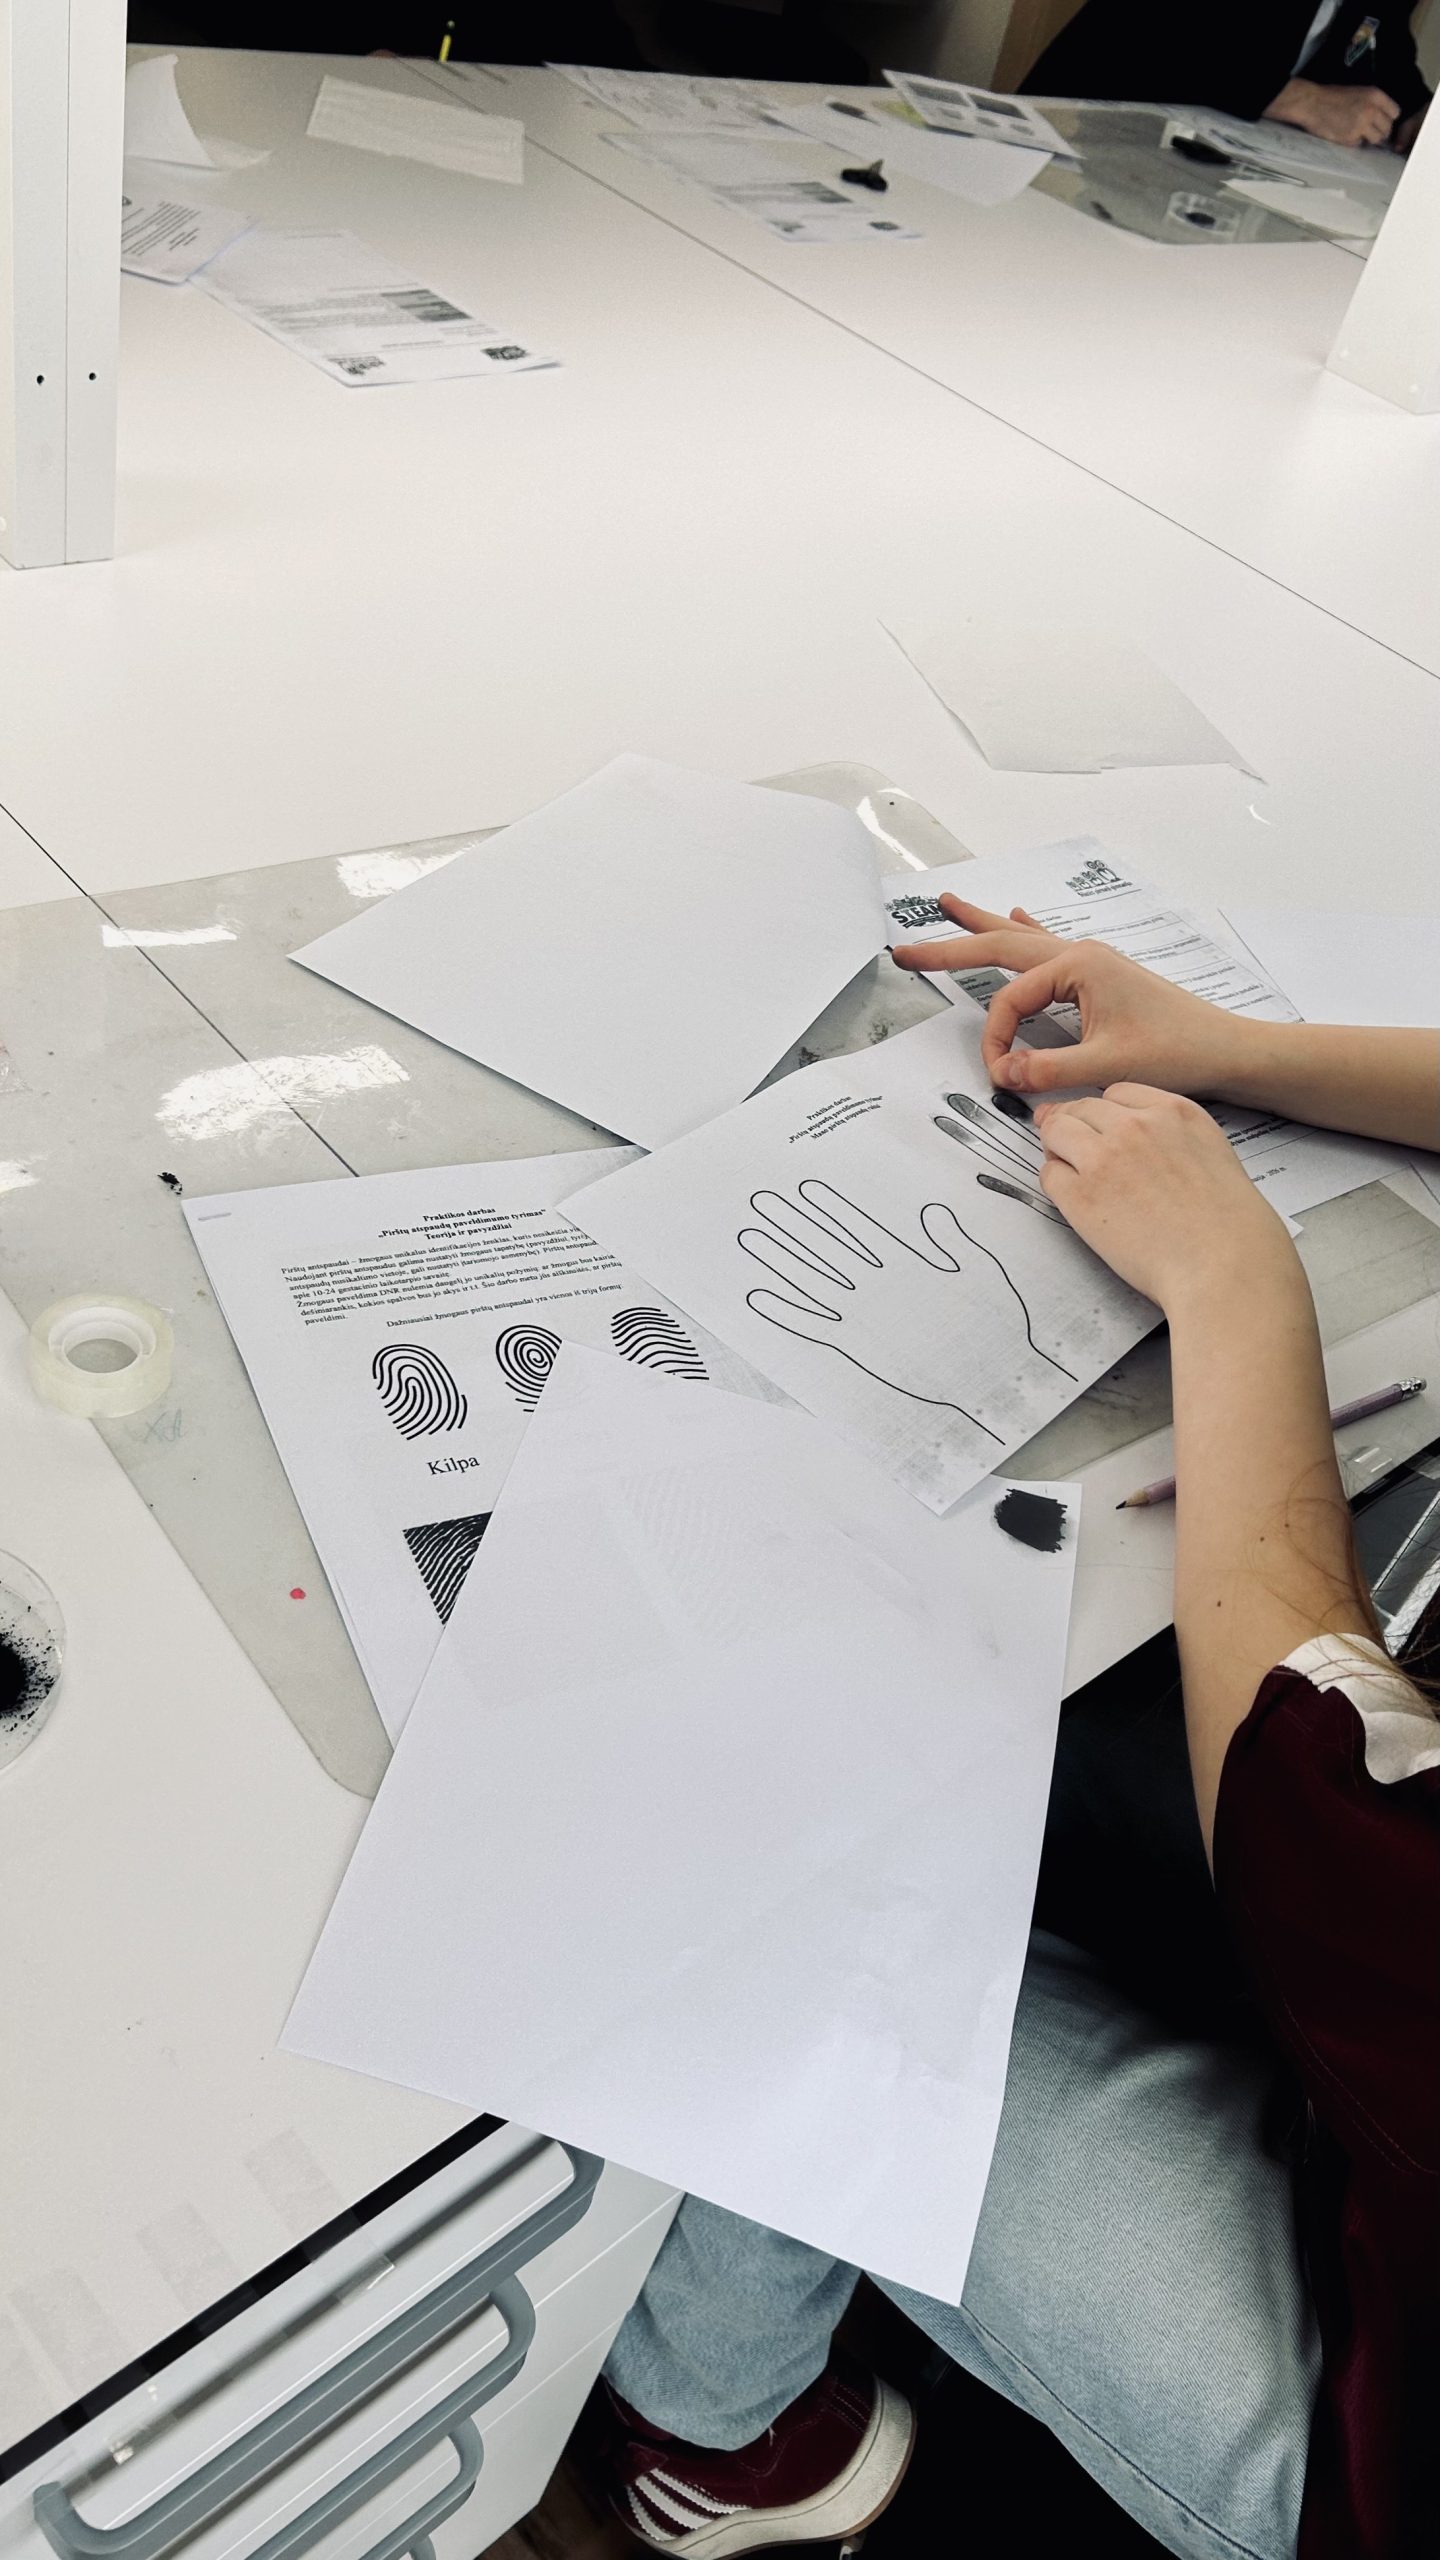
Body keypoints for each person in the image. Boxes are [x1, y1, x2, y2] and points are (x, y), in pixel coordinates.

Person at [579, 901, 1440, 2560]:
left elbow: (1326, 1815)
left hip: (1383, 2413)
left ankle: (719, 2422)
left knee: (806, 1883)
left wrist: (1233, 1285)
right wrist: (1239, 1052)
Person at [1022, 0, 1432, 153]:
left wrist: (1420, 113)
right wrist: (1300, 100)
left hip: (1207, 166)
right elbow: (1146, 35)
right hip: (1076, 128)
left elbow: (1387, 53)